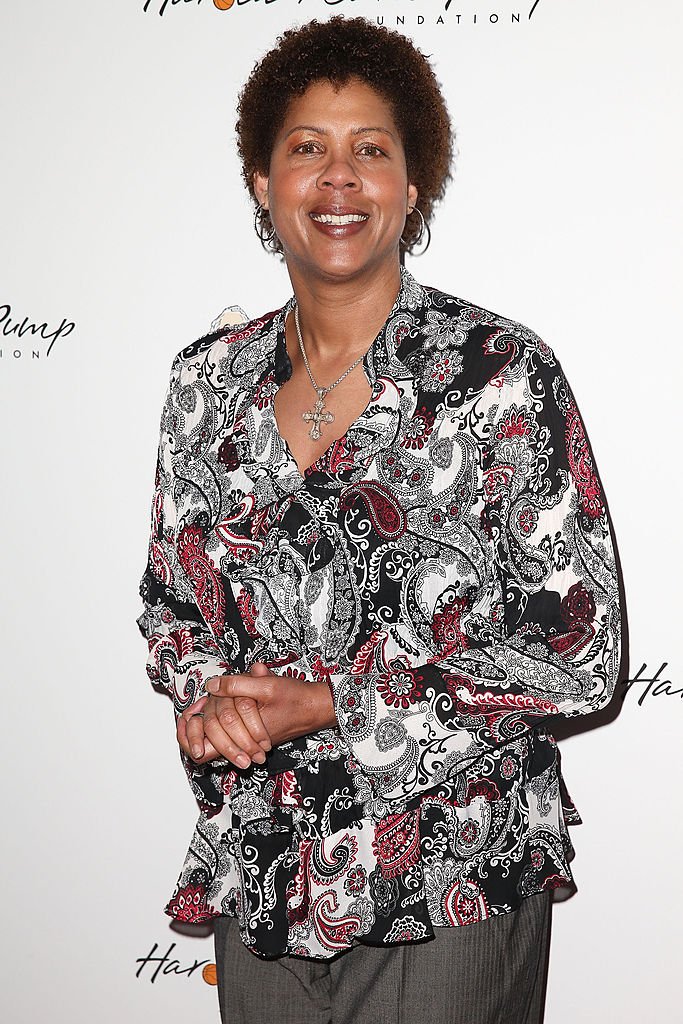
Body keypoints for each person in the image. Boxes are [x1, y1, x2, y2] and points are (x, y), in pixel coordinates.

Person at [137, 16, 622, 1024]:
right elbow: (171, 607)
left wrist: (328, 701)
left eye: (370, 150)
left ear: (412, 187)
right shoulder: (203, 383)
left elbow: (577, 649)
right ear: (263, 187)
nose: (338, 178)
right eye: (306, 148)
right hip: (263, 866)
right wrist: (206, 696)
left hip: (452, 872)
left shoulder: (497, 376)